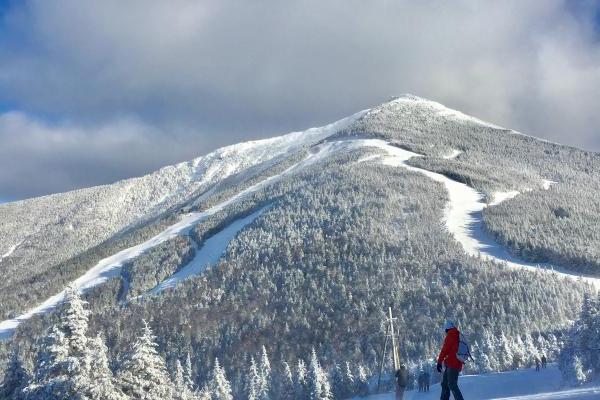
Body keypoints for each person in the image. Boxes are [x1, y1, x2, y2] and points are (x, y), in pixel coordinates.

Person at [437, 321, 464, 400]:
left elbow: (444, 350)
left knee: (452, 384)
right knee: (445, 384)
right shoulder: (458, 334)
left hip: (452, 363)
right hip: (456, 363)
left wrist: (439, 362)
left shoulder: (450, 335)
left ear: (447, 329)